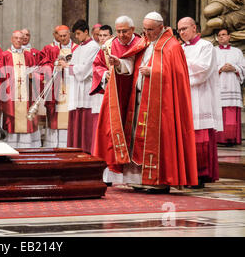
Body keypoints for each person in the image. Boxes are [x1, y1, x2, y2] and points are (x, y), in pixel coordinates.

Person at [94, 12, 198, 193]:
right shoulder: (146, 43)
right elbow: (132, 65)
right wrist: (118, 63)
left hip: (161, 105)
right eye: (145, 29)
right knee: (136, 140)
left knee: (159, 140)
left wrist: (154, 72)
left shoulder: (172, 46)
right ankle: (138, 179)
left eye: (150, 30)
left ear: (161, 27)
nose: (147, 33)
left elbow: (178, 77)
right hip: (140, 100)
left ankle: (159, 180)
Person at [90, 16, 142, 184]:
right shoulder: (108, 45)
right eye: (118, 31)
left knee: (133, 134)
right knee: (108, 132)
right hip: (114, 96)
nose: (120, 35)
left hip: (135, 96)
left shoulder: (141, 44)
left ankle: (132, 175)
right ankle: (111, 174)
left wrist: (119, 63)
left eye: (124, 31)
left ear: (132, 30)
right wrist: (105, 73)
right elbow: (97, 65)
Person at [179, 17, 223, 187]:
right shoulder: (180, 48)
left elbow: (203, 70)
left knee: (200, 139)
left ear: (194, 28)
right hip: (184, 97)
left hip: (201, 97)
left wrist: (181, 66)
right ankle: (186, 174)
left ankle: (200, 175)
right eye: (180, 30)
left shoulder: (206, 46)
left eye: (185, 28)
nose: (182, 32)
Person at [58, 20, 101, 154]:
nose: (76, 37)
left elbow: (84, 71)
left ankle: (86, 151)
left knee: (85, 124)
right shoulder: (79, 48)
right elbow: (74, 67)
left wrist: (67, 66)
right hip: (77, 90)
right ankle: (75, 150)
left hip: (86, 91)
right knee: (76, 122)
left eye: (78, 33)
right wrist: (65, 64)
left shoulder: (94, 47)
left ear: (86, 32)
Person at [0, 30, 42, 148]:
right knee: (11, 121)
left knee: (26, 120)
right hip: (10, 95)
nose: (18, 40)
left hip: (26, 95)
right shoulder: (4, 55)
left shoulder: (28, 55)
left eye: (20, 38)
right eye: (16, 38)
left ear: (24, 40)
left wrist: (33, 76)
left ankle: (25, 148)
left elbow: (37, 73)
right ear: (11, 39)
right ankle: (10, 147)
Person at [41, 25, 78, 148]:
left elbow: (83, 68)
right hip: (57, 88)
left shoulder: (77, 49)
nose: (62, 38)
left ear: (69, 34)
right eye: (60, 36)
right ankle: (55, 145)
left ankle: (70, 144)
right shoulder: (50, 49)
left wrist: (67, 66)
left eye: (65, 36)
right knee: (57, 117)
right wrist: (54, 66)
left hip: (72, 87)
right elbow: (44, 65)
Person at [215, 28, 245, 145]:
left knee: (231, 112)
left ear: (229, 37)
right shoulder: (213, 51)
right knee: (219, 111)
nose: (221, 37)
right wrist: (220, 68)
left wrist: (234, 68)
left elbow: (243, 67)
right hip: (219, 85)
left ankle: (231, 138)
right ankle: (219, 138)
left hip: (233, 85)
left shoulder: (237, 51)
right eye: (219, 35)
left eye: (224, 35)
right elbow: (209, 67)